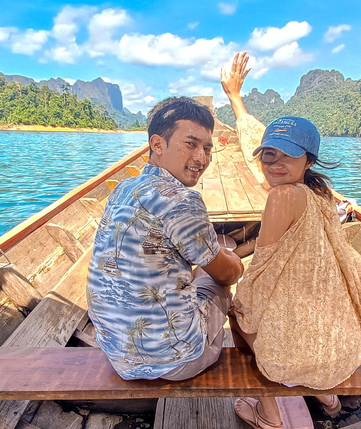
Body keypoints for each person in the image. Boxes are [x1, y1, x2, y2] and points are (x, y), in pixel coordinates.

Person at [221, 52, 361, 429]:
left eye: (287, 154)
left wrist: (232, 288)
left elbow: (261, 275)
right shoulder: (320, 192)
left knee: (237, 311)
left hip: (299, 359)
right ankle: (330, 401)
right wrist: (236, 99)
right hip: (343, 353)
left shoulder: (282, 198)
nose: (275, 161)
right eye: (269, 154)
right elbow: (262, 150)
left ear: (307, 158)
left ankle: (268, 415)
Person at [87, 97, 244, 381]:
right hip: (175, 364)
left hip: (117, 355)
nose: (201, 158)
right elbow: (227, 274)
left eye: (207, 148)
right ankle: (237, 354)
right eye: (191, 144)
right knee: (217, 282)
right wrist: (234, 260)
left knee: (191, 271)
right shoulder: (184, 199)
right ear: (158, 145)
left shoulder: (122, 188)